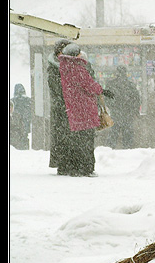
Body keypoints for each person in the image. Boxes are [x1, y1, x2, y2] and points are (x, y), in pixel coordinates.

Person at [58, 43, 114, 176]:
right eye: (79, 53)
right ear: (75, 55)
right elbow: (89, 85)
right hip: (84, 109)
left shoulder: (65, 68)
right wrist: (102, 90)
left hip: (74, 109)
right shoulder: (77, 68)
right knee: (87, 140)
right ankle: (86, 168)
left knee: (78, 139)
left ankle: (76, 167)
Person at [48, 39, 73, 174]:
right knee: (62, 136)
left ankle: (68, 162)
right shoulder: (54, 68)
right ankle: (63, 164)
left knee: (68, 136)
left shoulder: (69, 66)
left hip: (68, 107)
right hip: (61, 109)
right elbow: (58, 89)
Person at [105, 66, 141, 148]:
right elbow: (136, 99)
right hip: (127, 114)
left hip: (116, 113)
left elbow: (107, 99)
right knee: (127, 136)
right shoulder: (130, 84)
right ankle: (127, 151)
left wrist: (113, 107)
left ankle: (109, 151)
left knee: (113, 134)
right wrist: (135, 111)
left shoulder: (111, 84)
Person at [10, 84, 31, 150]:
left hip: (15, 125)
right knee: (24, 138)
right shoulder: (28, 100)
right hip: (25, 123)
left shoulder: (12, 100)